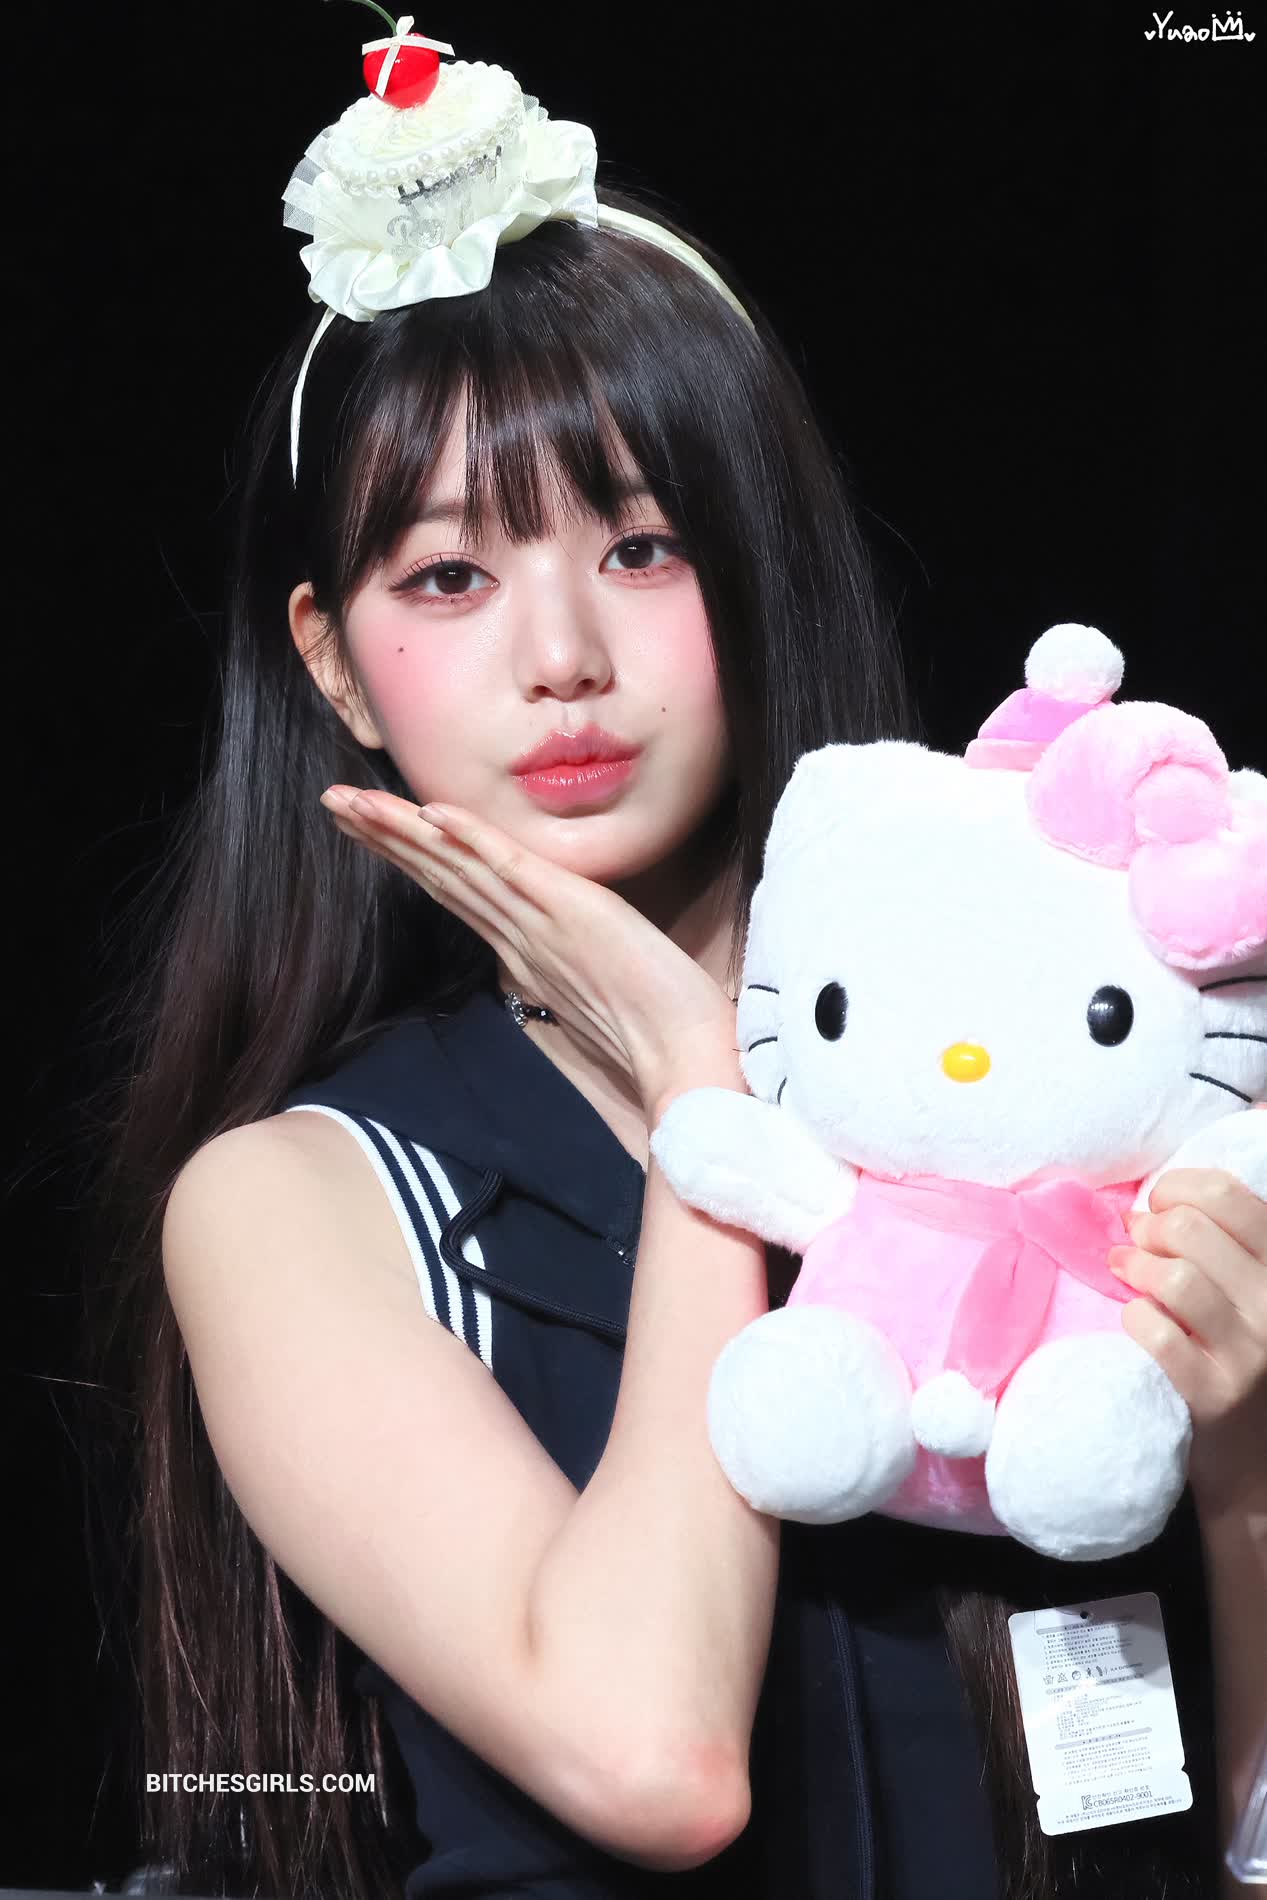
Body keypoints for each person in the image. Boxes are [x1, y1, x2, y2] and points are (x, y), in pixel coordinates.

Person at [83, 21, 1266, 1900]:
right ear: (332, 664)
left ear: (754, 563)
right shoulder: (301, 1203)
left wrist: (1248, 1471)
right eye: (449, 577)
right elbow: (656, 1758)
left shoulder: (1058, 1060)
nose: (562, 655)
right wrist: (696, 1084)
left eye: (642, 548)